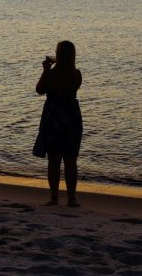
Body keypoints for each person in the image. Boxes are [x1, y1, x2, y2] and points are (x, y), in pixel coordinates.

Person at [35, 40, 83, 207]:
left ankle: (54, 197)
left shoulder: (51, 75)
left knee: (54, 159)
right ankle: (72, 198)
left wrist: (46, 71)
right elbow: (72, 87)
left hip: (53, 116)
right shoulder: (77, 74)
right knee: (71, 159)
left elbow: (40, 90)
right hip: (71, 117)